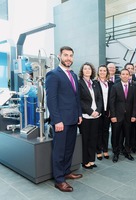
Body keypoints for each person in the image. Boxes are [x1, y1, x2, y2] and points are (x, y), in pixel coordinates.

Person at [45, 46, 82, 192]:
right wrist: (57, 120)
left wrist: (79, 114)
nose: (69, 58)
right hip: (61, 121)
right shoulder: (53, 74)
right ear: (60, 56)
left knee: (69, 149)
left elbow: (76, 97)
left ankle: (66, 171)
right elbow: (51, 100)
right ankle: (59, 179)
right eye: (66, 55)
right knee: (59, 151)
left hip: (73, 118)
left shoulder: (73, 74)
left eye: (71, 55)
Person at [78, 62, 102, 169]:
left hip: (96, 116)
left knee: (93, 138)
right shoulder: (79, 83)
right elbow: (79, 100)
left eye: (89, 69)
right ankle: (85, 161)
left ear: (92, 71)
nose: (87, 70)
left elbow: (99, 99)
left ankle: (92, 159)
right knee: (85, 139)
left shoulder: (95, 83)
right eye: (85, 69)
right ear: (82, 71)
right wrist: (90, 111)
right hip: (86, 116)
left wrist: (97, 110)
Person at [109, 69, 136, 163]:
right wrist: (113, 115)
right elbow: (111, 103)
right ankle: (116, 153)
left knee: (128, 135)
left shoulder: (133, 87)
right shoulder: (115, 87)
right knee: (116, 135)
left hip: (129, 116)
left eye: (127, 74)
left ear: (129, 76)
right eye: (123, 74)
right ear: (120, 76)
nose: (125, 76)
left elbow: (134, 103)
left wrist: (133, 115)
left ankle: (127, 152)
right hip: (117, 116)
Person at [96, 64, 113, 161]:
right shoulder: (94, 83)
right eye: (101, 70)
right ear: (98, 72)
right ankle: (98, 150)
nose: (102, 72)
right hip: (98, 110)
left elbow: (112, 98)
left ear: (107, 72)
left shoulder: (110, 83)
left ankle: (105, 149)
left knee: (106, 131)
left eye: (104, 70)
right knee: (98, 131)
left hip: (108, 110)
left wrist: (111, 110)